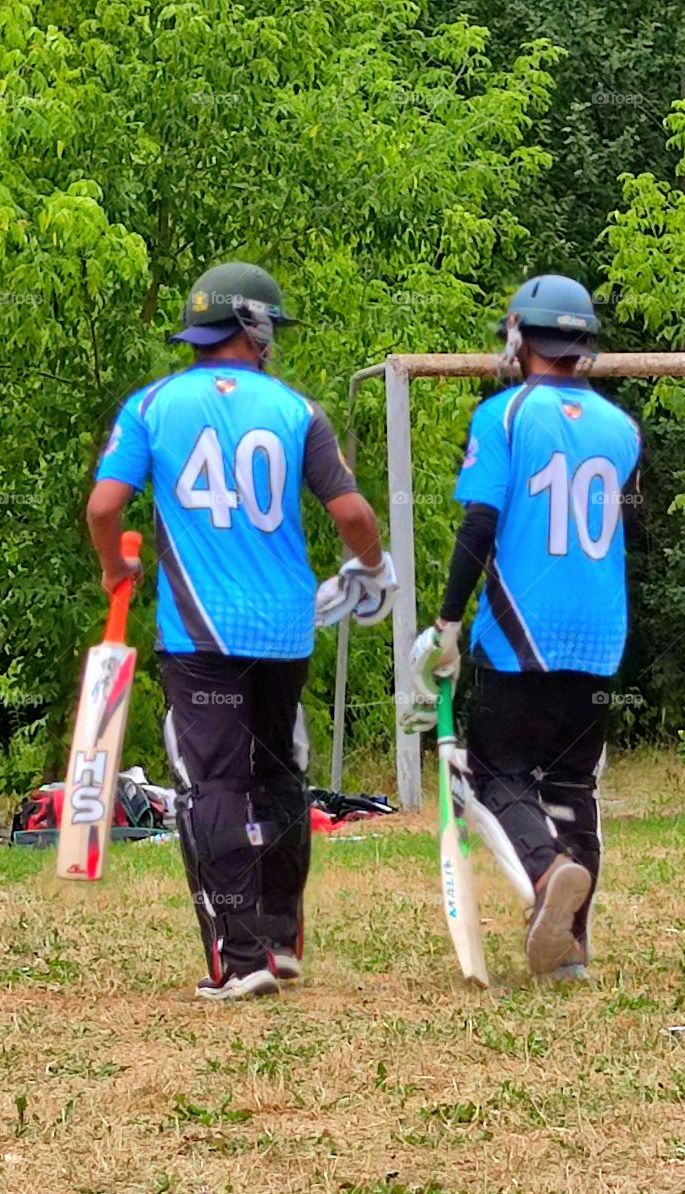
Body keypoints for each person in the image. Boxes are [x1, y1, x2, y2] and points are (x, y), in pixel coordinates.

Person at [87, 261, 396, 1000]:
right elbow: (351, 515)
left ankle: (242, 956)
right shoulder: (296, 410)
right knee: (280, 778)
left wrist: (112, 570)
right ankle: (282, 940)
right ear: (252, 327)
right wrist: (374, 569)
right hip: (284, 630)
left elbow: (105, 507)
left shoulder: (153, 404)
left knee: (213, 787)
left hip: (201, 633)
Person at [405, 274, 640, 980]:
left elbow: (481, 523)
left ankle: (545, 877)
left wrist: (448, 621)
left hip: (521, 628)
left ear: (520, 336)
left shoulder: (503, 415)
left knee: (499, 771)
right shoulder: (624, 429)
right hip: (600, 631)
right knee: (572, 783)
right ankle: (570, 949)